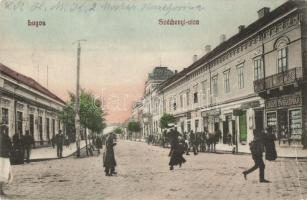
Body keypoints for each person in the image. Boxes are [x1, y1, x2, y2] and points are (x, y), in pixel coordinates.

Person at [0, 125, 13, 196]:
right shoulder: (5, 137)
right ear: (4, 130)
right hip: (4, 156)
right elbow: (10, 146)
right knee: (4, 173)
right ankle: (0, 189)